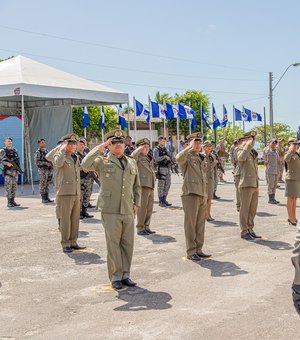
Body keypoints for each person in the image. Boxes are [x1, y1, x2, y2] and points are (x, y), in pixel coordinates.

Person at [82, 129, 141, 290]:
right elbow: (85, 164)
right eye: (113, 143)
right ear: (109, 145)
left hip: (127, 208)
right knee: (113, 244)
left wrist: (137, 203)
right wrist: (100, 148)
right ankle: (116, 276)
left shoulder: (131, 162)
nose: (118, 146)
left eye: (120, 143)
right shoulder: (102, 161)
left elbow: (137, 185)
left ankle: (125, 275)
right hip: (110, 209)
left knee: (127, 243)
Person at [176, 132, 211, 261]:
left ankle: (198, 249)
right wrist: (188, 148)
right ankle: (191, 251)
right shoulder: (187, 157)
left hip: (202, 193)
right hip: (190, 193)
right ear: (190, 143)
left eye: (199, 142)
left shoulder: (201, 157)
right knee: (190, 224)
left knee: (200, 223)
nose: (198, 144)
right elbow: (178, 158)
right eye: (195, 142)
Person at [53, 133, 85, 253]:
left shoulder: (75, 157)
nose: (73, 146)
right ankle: (65, 243)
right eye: (70, 144)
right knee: (65, 219)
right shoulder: (60, 156)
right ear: (65, 145)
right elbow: (58, 163)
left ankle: (73, 241)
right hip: (65, 192)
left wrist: (78, 191)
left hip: (75, 192)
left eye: (74, 144)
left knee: (75, 219)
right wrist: (61, 150)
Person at [237, 131, 261, 240]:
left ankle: (250, 228)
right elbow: (241, 158)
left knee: (252, 209)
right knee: (245, 209)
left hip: (254, 183)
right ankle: (244, 230)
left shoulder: (253, 152)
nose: (252, 142)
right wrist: (247, 145)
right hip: (246, 184)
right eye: (250, 139)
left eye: (253, 140)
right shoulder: (241, 149)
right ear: (245, 140)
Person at [132, 138, 156, 236]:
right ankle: (140, 227)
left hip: (150, 185)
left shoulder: (149, 157)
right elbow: (132, 156)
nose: (146, 149)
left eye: (147, 147)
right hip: (142, 185)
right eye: (144, 147)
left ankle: (146, 226)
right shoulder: (137, 157)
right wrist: (139, 149)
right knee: (142, 208)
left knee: (149, 208)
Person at [0, 137, 22, 207]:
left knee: (14, 187)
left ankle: (13, 201)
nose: (10, 142)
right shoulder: (3, 151)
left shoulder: (15, 150)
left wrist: (19, 169)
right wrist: (6, 163)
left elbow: (17, 160)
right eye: (8, 141)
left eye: (11, 141)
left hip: (15, 171)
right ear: (5, 142)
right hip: (8, 172)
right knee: (9, 187)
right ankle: (9, 202)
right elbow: (0, 160)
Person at [284, 138, 300, 225]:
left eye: (296, 144)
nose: (296, 145)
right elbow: (286, 159)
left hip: (297, 179)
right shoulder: (288, 153)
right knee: (290, 198)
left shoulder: (296, 153)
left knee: (294, 199)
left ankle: (293, 216)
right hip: (291, 179)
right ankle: (290, 217)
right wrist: (290, 150)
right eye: (294, 144)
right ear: (290, 145)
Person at [76, 139, 94, 219]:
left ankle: (84, 211)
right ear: (76, 146)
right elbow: (75, 166)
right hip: (81, 178)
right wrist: (83, 168)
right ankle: (79, 213)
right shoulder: (75, 156)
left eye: (83, 144)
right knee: (80, 196)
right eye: (80, 144)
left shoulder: (86, 155)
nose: (82, 146)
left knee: (87, 196)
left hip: (88, 178)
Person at [153, 135, 172, 207]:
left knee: (168, 184)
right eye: (162, 141)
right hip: (160, 169)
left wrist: (171, 162)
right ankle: (160, 201)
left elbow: (169, 157)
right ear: (159, 141)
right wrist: (164, 157)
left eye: (164, 141)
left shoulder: (165, 149)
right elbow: (156, 159)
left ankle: (164, 199)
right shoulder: (156, 149)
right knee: (161, 185)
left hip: (167, 168)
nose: (164, 142)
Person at [34, 138, 54, 203]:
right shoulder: (38, 152)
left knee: (47, 184)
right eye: (42, 142)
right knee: (43, 184)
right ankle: (43, 198)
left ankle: (47, 197)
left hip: (49, 170)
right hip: (42, 170)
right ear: (39, 144)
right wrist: (46, 163)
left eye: (44, 142)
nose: (43, 143)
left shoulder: (46, 151)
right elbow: (37, 162)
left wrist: (51, 163)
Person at [203, 141, 216, 222]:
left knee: (209, 198)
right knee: (205, 198)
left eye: (210, 146)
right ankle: (205, 215)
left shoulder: (211, 156)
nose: (209, 147)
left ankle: (209, 214)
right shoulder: (202, 156)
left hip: (210, 179)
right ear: (203, 147)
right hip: (204, 179)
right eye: (207, 146)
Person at [264, 139, 281, 204]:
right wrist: (269, 145)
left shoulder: (275, 151)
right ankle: (270, 199)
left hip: (276, 170)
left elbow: (278, 160)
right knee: (270, 185)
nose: (274, 144)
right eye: (273, 143)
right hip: (270, 170)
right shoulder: (268, 151)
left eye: (275, 143)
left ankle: (273, 198)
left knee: (274, 185)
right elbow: (266, 155)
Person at [233, 137, 244, 212]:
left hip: (245, 172)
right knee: (238, 190)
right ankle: (239, 206)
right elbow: (239, 159)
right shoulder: (237, 149)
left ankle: (244, 205)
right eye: (242, 141)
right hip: (239, 172)